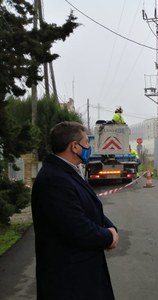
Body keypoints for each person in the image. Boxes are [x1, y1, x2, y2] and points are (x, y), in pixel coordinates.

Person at [31, 121, 119, 300]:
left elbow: (89, 207)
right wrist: (108, 236)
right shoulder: (53, 179)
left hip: (81, 275)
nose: (89, 147)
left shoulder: (67, 171)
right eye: (87, 143)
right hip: (68, 281)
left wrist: (111, 228)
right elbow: (77, 228)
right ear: (74, 147)